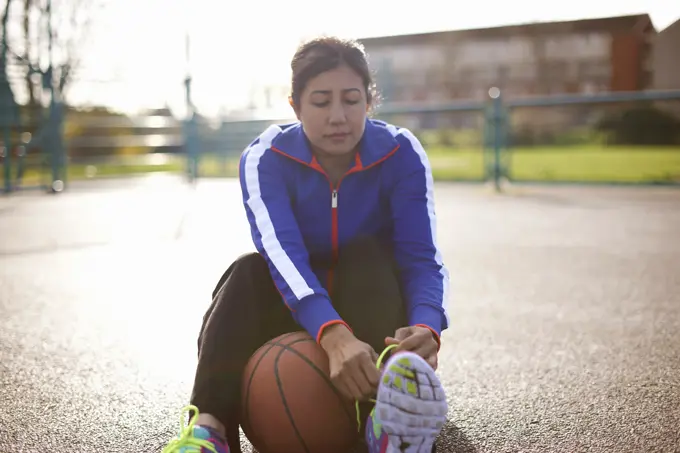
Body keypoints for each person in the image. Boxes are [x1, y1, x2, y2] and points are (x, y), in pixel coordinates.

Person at [162, 35, 451, 453]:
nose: (338, 116)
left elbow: (421, 257)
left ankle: (389, 418)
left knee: (369, 256)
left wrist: (426, 326)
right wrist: (333, 335)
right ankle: (210, 430)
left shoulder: (400, 152)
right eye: (321, 102)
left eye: (351, 100)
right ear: (295, 106)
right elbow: (282, 256)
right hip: (291, 307)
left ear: (369, 101)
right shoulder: (266, 157)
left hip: (370, 307)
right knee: (247, 271)